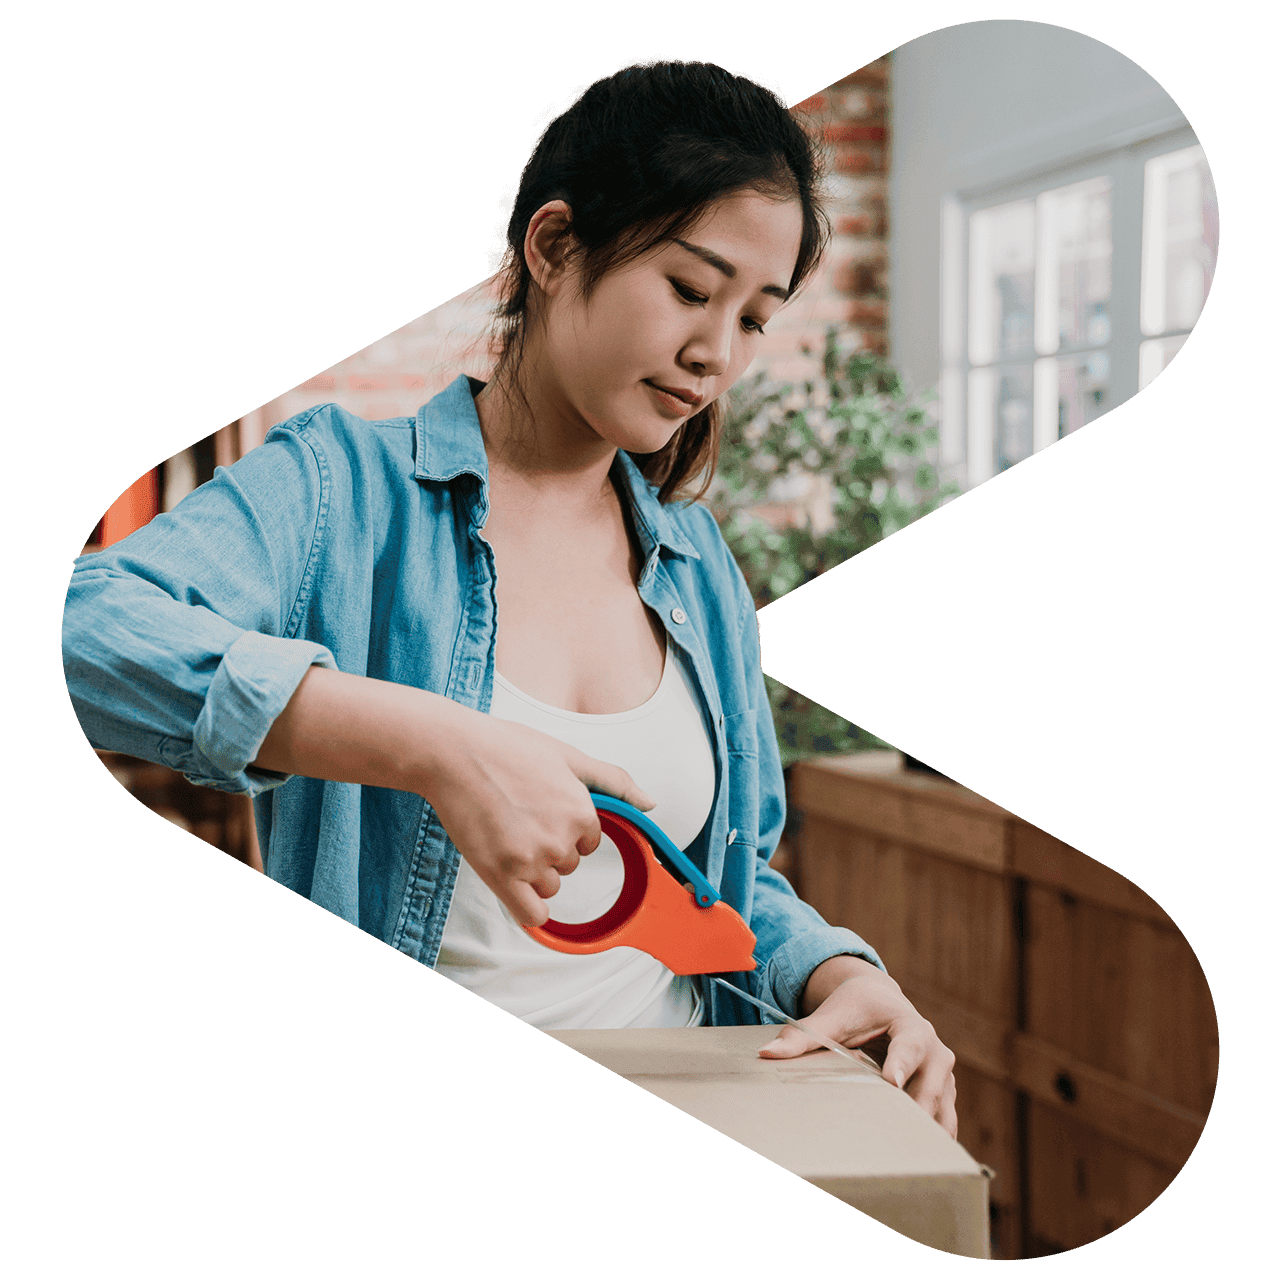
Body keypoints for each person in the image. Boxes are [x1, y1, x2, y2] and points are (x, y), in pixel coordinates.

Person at [63, 59, 957, 1136]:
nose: (713, 353)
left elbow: (707, 882)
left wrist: (831, 970)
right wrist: (432, 742)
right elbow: (82, 627)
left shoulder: (695, 563)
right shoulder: (341, 489)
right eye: (687, 287)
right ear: (552, 247)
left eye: (754, 317)